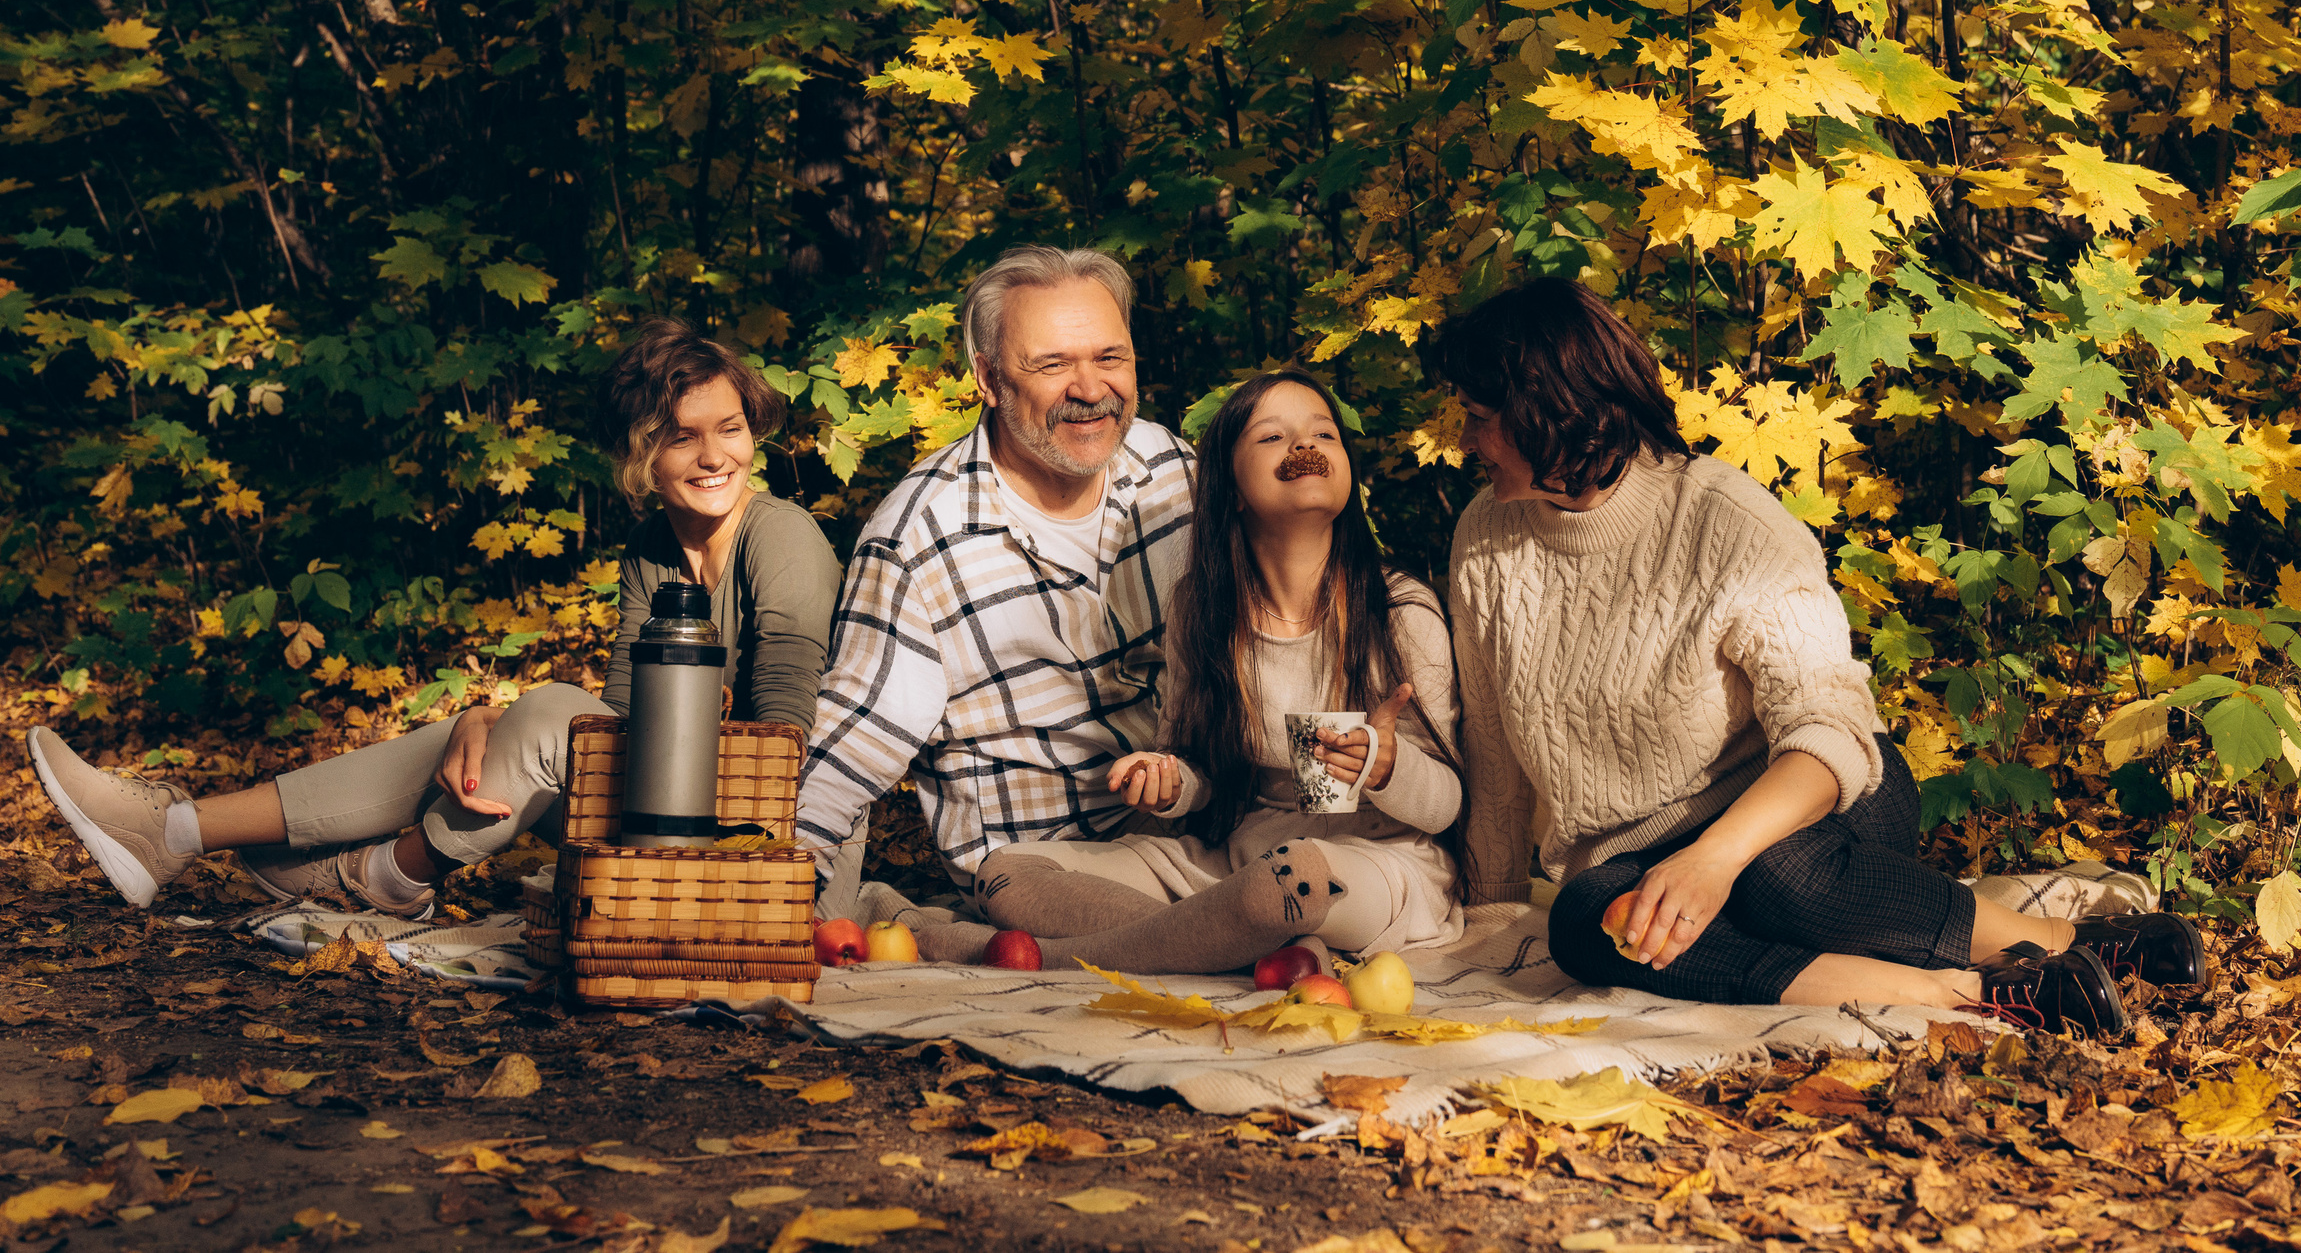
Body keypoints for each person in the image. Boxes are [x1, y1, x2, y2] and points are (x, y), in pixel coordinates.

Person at [1438, 278, 2205, 1035]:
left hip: (1808, 793)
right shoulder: (1483, 539)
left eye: (1480, 418)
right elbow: (1494, 750)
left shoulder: (1726, 520)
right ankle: (1970, 992)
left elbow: (1829, 725)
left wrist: (1715, 859)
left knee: (1778, 877)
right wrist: (1495, 903)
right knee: (1583, 921)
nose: (1466, 440)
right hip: (1638, 852)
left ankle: (2087, 945)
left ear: (1551, 410)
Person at [26, 319, 841, 917]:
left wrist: (549, 722)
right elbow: (622, 721)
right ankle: (169, 830)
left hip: (770, 861)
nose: (714, 456)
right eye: (682, 437)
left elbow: (786, 752)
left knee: (552, 708)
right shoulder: (650, 548)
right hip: (666, 820)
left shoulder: (785, 539)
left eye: (729, 428)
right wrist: (489, 718)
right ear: (640, 454)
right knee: (486, 731)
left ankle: (379, 874)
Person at [963, 370, 1465, 972]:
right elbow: (1201, 777)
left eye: (1324, 435)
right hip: (1237, 864)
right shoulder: (1201, 612)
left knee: (1295, 879)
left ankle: (1040, 950)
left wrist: (1388, 768)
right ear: (1229, 485)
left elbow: (1447, 805)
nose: (1305, 447)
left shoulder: (1400, 611)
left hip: (1375, 867)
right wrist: (1170, 782)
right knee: (1006, 873)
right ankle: (1246, 941)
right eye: (1272, 437)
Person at [795, 246, 1194, 933]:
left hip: (1193, 835)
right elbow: (851, 746)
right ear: (987, 378)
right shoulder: (919, 538)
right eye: (1052, 364)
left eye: (1110, 357)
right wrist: (765, 887)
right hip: (1041, 874)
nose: (1091, 388)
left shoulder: (1178, 475)